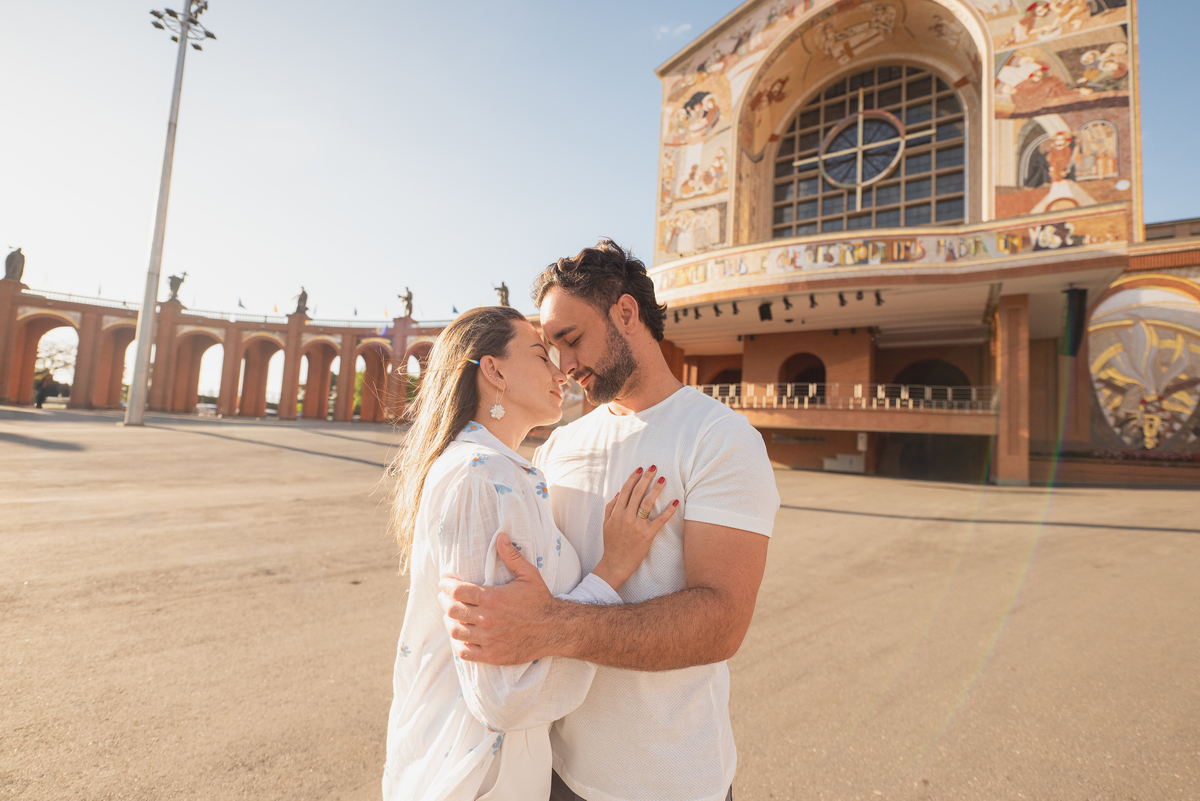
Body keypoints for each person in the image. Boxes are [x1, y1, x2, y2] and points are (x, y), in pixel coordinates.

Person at [439, 239, 781, 801]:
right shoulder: (560, 445)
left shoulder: (720, 439)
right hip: (552, 765)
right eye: (551, 349)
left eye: (571, 339)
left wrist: (554, 625)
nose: (565, 366)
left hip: (664, 778)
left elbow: (722, 621)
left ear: (626, 313)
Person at [383, 304, 679, 800]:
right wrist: (612, 570)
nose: (561, 369)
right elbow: (506, 697)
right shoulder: (485, 477)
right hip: (481, 774)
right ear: (493, 371)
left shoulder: (495, 469)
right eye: (542, 355)